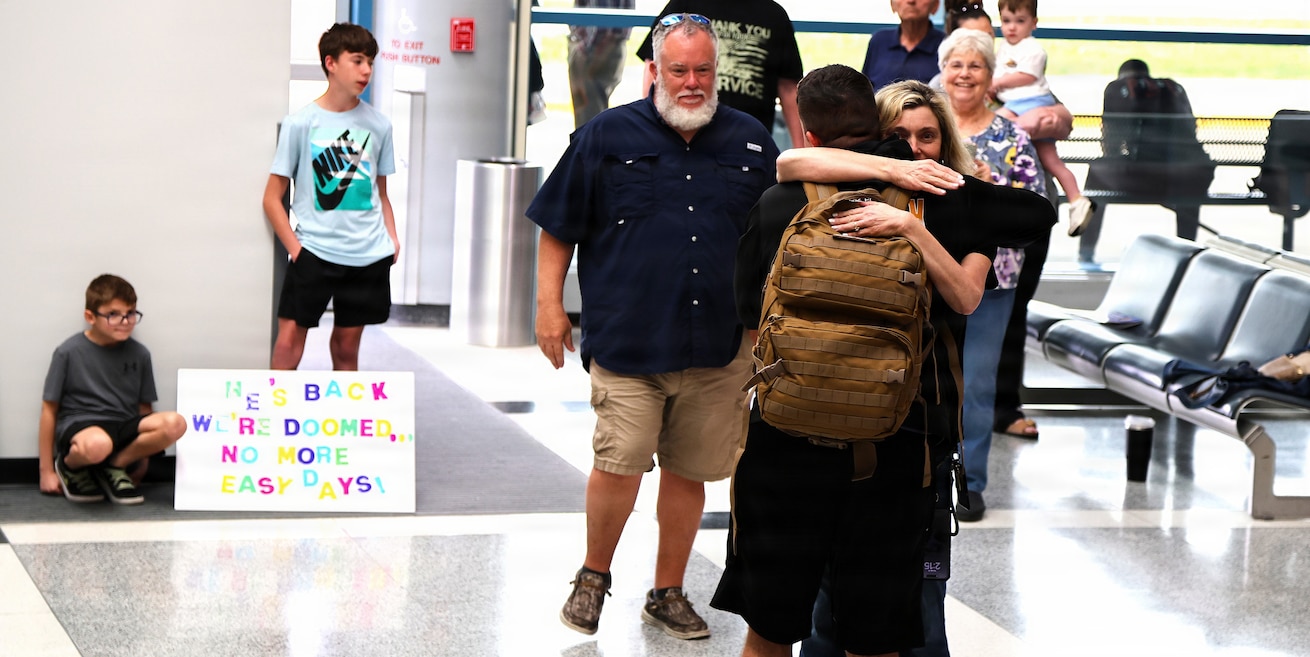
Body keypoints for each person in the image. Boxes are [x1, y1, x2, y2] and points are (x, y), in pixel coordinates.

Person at [715, 70, 1054, 657]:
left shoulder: (776, 205)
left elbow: (749, 315)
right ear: (878, 130)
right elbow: (1037, 216)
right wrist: (943, 185)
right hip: (900, 444)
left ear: (809, 132)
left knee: (769, 630)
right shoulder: (943, 200)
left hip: (786, 441)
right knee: (876, 638)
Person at [528, 14, 778, 640]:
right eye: (678, 71)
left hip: (720, 346)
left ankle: (668, 591)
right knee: (619, 462)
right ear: (654, 71)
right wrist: (549, 307)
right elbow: (558, 226)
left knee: (690, 471)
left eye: (702, 71)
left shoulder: (750, 141)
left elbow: (778, 238)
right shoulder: (605, 136)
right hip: (630, 340)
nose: (691, 83)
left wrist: (766, 327)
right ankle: (593, 576)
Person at [263, 23, 398, 371]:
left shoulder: (379, 125)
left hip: (368, 254)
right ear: (331, 63)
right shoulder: (300, 124)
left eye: (370, 61)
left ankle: (345, 423)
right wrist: (297, 250)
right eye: (357, 61)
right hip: (315, 253)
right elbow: (272, 198)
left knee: (346, 350)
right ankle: (277, 420)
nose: (367, 70)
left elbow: (380, 193)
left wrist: (393, 239)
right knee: (288, 345)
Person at [38, 274, 188, 505]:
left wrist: (142, 463)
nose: (125, 321)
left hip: (123, 425)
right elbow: (49, 409)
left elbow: (144, 407)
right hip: (83, 426)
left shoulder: (140, 354)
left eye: (130, 313)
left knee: (176, 423)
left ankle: (115, 467)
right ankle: (69, 467)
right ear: (90, 316)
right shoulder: (68, 352)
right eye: (113, 315)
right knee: (99, 444)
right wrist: (45, 471)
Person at [1077, 58, 1214, 266]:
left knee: (1095, 178)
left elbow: (1111, 142)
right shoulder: (1174, 88)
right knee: (1187, 186)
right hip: (1190, 179)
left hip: (1145, 179)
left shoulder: (1118, 89)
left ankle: (1085, 251)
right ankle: (1187, 250)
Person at [636, 0, 805, 148]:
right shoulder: (685, 4)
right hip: (682, 137)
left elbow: (789, 88)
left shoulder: (774, 15)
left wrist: (802, 149)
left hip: (748, 142)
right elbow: (655, 66)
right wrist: (648, 122)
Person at [988, 0, 1094, 236]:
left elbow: (1026, 76)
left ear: (1034, 23)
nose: (1012, 27)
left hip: (1031, 102)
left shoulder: (1033, 49)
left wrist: (995, 84)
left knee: (997, 126)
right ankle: (1077, 200)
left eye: (1020, 21)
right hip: (1018, 103)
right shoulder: (1004, 47)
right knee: (1051, 160)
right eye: (1006, 21)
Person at [568, 0, 637, 127]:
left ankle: (589, 146)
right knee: (593, 113)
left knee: (588, 118)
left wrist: (585, 44)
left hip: (596, 44)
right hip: (609, 42)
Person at [863, 0, 945, 91]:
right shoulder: (879, 41)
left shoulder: (946, 45)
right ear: (892, 4)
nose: (911, 1)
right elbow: (863, 91)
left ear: (936, 5)